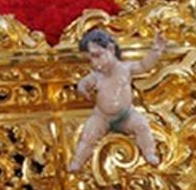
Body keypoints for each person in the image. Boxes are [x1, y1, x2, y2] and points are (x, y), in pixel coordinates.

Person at [69, 29, 166, 173]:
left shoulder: (125, 69)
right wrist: (82, 89)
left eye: (97, 56)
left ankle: (149, 153)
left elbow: (144, 65)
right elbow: (84, 83)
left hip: (126, 116)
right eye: (90, 59)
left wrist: (156, 50)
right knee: (88, 135)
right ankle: (77, 161)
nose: (95, 63)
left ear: (111, 49)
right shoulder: (96, 76)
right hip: (102, 117)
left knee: (142, 126)